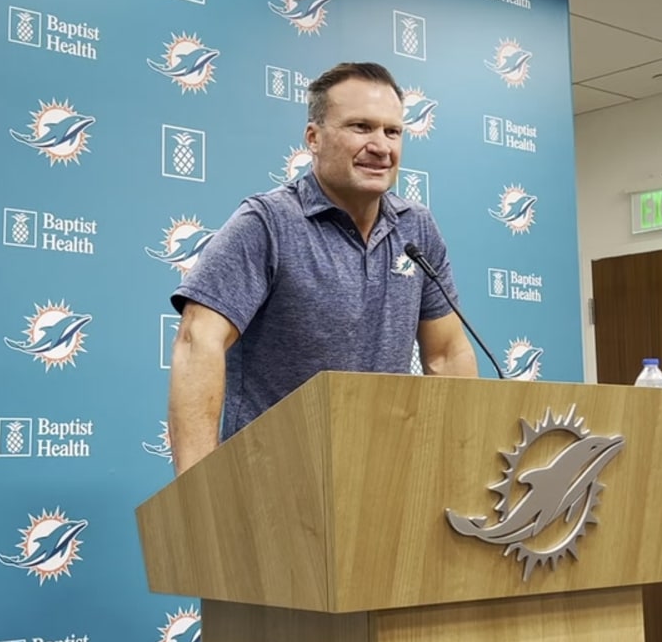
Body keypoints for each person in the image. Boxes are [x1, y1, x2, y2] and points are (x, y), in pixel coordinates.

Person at [166, 61, 478, 474]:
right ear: (313, 138)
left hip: (387, 478)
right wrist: (197, 493)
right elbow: (197, 341)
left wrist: (460, 466)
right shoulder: (267, 222)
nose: (381, 146)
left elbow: (446, 354)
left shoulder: (416, 227)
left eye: (392, 131)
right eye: (360, 127)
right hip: (274, 478)